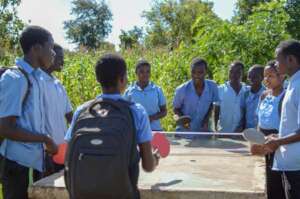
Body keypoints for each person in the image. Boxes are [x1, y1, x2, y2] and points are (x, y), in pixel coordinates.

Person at [65, 53, 159, 198]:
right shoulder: (136, 111)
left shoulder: (82, 111)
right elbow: (147, 165)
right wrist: (155, 159)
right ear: (122, 79)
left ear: (98, 79)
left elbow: (68, 156)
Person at [0, 26, 57, 199]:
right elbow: (5, 128)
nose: (53, 53)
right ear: (36, 48)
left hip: (32, 163)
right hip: (18, 166)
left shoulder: (36, 77)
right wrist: (45, 139)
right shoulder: (16, 79)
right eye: (51, 47)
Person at [262, 40, 300, 199]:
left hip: (297, 166)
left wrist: (278, 142)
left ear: (290, 60)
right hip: (289, 163)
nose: (276, 64)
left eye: (278, 60)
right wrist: (279, 136)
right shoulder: (293, 83)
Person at [33, 43, 73, 180]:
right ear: (49, 55)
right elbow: (36, 120)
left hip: (62, 149)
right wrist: (45, 150)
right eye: (59, 57)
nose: (62, 61)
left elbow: (69, 115)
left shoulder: (58, 84)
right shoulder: (38, 82)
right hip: (46, 152)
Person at [254, 61, 286, 199]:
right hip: (263, 142)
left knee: (278, 184)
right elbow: (259, 121)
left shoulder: (285, 97)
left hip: (278, 144)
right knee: (266, 182)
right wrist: (256, 140)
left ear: (282, 77)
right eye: (265, 76)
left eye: (271, 75)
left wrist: (274, 141)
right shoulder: (264, 95)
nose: (266, 79)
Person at [173, 57, 219, 137]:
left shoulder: (213, 86)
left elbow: (212, 104)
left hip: (204, 134)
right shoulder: (181, 89)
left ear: (206, 72)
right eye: (193, 72)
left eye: (200, 72)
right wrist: (183, 119)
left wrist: (206, 119)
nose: (196, 75)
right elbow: (176, 109)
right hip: (185, 134)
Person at [124, 59, 167, 131]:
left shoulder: (157, 90)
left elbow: (164, 111)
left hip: (155, 130)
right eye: (141, 72)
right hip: (136, 131)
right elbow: (124, 112)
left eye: (148, 71)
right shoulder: (129, 91)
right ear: (136, 73)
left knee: (162, 143)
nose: (145, 74)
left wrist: (151, 118)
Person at [214, 61, 247, 132]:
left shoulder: (247, 91)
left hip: (240, 135)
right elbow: (216, 112)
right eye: (231, 71)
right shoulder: (220, 90)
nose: (233, 75)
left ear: (242, 74)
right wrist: (215, 129)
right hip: (223, 134)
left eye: (238, 72)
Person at [239, 65, 265, 130]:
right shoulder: (245, 93)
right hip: (247, 131)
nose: (251, 79)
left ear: (262, 77)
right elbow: (243, 113)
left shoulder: (267, 94)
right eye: (249, 76)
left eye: (254, 77)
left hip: (261, 131)